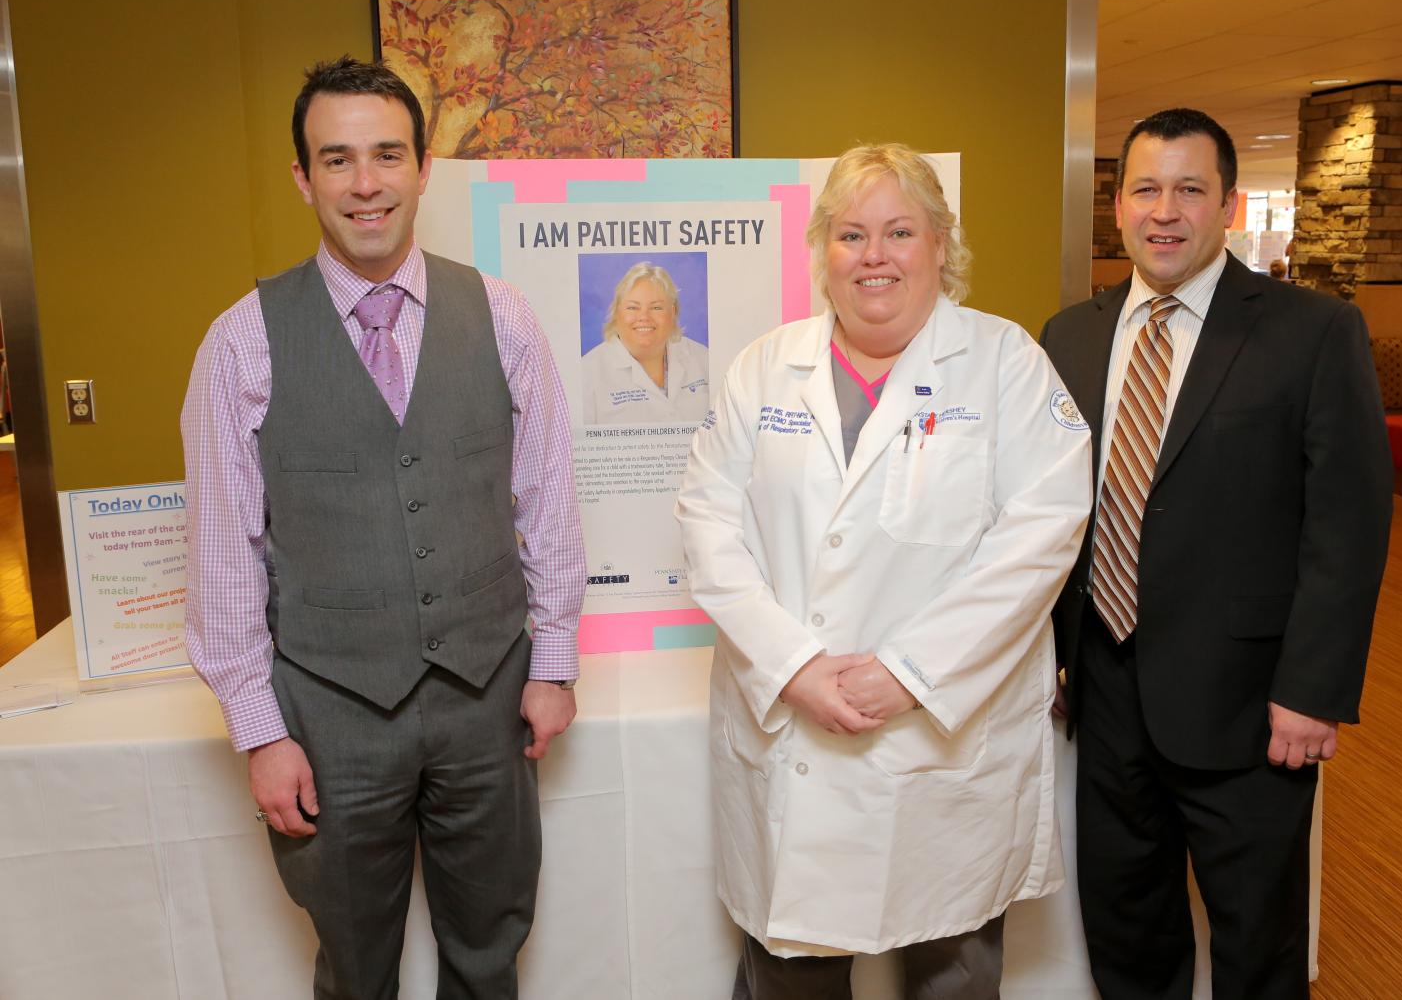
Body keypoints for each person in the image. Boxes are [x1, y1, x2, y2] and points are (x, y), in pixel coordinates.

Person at [181, 56, 585, 999]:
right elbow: (222, 554)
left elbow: (548, 497)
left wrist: (555, 664)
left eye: (387, 155)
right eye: (338, 159)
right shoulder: (242, 340)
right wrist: (259, 731)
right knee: (356, 968)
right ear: (304, 178)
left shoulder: (504, 317)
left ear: (421, 168)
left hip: (487, 698)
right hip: (329, 717)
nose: (366, 184)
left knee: (489, 951)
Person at [675, 143, 1092, 998]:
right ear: (822, 250)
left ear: (941, 244)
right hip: (795, 722)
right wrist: (792, 665)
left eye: (900, 231)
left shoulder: (1005, 363)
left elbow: (1042, 534)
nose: (874, 255)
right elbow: (708, 522)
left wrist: (908, 673)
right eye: (850, 233)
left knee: (953, 969)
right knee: (791, 969)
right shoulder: (764, 367)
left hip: (938, 732)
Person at [1040, 108, 1392, 1000]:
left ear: (1228, 205)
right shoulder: (1069, 335)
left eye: (1191, 190)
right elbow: (1042, 513)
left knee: (1258, 946)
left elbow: (1346, 526)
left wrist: (1312, 692)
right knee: (1127, 928)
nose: (1167, 211)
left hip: (1251, 709)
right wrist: (1046, 654)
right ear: (1116, 205)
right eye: (1147, 189)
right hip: (1107, 689)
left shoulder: (1312, 331)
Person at [579, 261, 710, 424]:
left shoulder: (703, 358)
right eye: (633, 308)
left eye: (656, 308)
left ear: (673, 312)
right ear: (616, 313)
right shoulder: (587, 373)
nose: (644, 317)